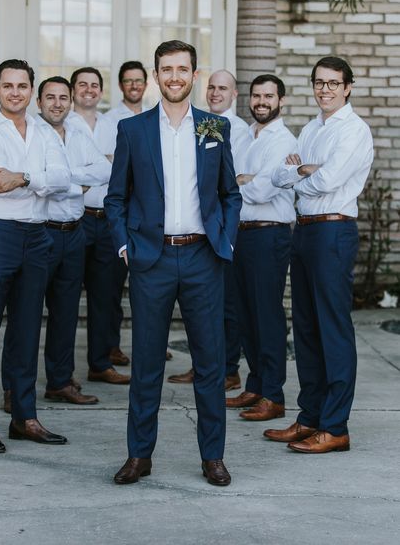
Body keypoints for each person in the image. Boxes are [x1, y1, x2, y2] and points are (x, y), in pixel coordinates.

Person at [105, 40, 241, 486]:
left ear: (194, 76)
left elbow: (229, 193)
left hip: (203, 256)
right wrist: (127, 246)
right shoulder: (134, 129)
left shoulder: (214, 127)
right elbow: (116, 198)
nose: (175, 76)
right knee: (146, 363)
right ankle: (139, 455)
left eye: (183, 69)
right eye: (167, 69)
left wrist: (225, 239)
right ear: (156, 74)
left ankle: (213, 458)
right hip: (152, 258)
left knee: (210, 362)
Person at [268, 56, 373, 453]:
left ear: (347, 87)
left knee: (333, 328)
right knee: (307, 328)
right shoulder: (311, 128)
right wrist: (303, 172)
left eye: (333, 83)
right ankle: (310, 417)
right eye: (319, 82)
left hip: (333, 230)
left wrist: (305, 174)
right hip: (305, 231)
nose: (325, 89)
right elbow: (281, 176)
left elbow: (329, 180)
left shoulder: (354, 131)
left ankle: (335, 426)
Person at [0, 59, 70, 453]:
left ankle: (24, 418)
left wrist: (25, 176)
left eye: (22, 86)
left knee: (27, 332)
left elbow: (62, 181)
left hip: (37, 238)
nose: (15, 92)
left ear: (31, 91)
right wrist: (36, 180)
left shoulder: (45, 132)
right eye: (7, 86)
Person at [1, 76, 111, 410]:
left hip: (74, 232)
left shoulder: (78, 132)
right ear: (39, 101)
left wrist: (61, 178)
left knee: (65, 313)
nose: (58, 103)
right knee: (26, 312)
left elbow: (105, 170)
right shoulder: (31, 135)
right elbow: (29, 180)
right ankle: (13, 389)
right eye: (51, 97)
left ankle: (60, 382)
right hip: (40, 232)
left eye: (63, 97)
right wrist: (71, 182)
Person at [168, 69, 248, 389]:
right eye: (211, 87)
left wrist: (226, 240)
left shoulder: (234, 128)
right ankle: (207, 367)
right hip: (201, 231)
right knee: (207, 310)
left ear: (234, 94)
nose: (215, 93)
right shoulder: (204, 123)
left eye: (223, 88)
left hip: (220, 233)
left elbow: (232, 183)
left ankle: (226, 370)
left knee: (226, 306)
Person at [225, 74, 297, 421]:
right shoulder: (246, 137)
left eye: (269, 96)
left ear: (280, 100)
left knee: (266, 314)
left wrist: (242, 182)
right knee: (244, 313)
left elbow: (262, 190)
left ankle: (273, 394)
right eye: (256, 96)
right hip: (241, 233)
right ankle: (255, 384)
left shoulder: (284, 140)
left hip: (269, 234)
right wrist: (241, 182)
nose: (261, 102)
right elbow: (227, 182)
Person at [69, 67, 130, 385]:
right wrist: (104, 163)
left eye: (94, 85)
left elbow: (124, 166)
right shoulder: (62, 124)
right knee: (64, 297)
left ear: (102, 91)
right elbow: (65, 170)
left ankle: (100, 363)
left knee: (105, 297)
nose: (89, 90)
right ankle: (62, 374)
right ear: (73, 89)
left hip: (107, 221)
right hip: (74, 221)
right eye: (82, 85)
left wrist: (91, 166)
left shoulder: (114, 124)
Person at [104, 61, 148, 365]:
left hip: (148, 219)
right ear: (120, 85)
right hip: (122, 216)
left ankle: (151, 344)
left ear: (146, 84)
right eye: (128, 81)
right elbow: (110, 167)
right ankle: (111, 346)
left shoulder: (155, 117)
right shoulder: (110, 121)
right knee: (111, 290)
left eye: (138, 80)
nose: (134, 85)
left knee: (150, 291)